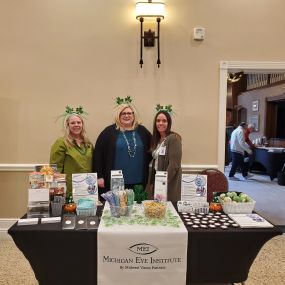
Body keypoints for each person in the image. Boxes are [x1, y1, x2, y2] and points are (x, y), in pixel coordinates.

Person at [92, 97, 152, 196]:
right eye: (123, 113)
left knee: (136, 208)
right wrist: (99, 176)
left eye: (129, 113)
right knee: (117, 208)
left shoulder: (143, 131)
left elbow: (152, 150)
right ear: (118, 116)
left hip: (138, 181)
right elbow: (98, 155)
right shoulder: (108, 132)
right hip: (115, 182)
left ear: (134, 115)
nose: (126, 116)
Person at [50, 106, 93, 194]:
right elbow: (55, 169)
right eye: (73, 123)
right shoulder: (61, 143)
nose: (76, 125)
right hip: (70, 189)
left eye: (79, 122)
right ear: (68, 125)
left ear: (82, 124)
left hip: (88, 188)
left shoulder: (88, 143)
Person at [149, 105, 182, 201]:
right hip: (157, 179)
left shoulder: (174, 138)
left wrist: (162, 183)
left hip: (168, 182)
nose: (160, 123)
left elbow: (174, 165)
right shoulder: (157, 140)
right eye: (158, 121)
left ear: (169, 123)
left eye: (164, 121)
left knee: (168, 211)